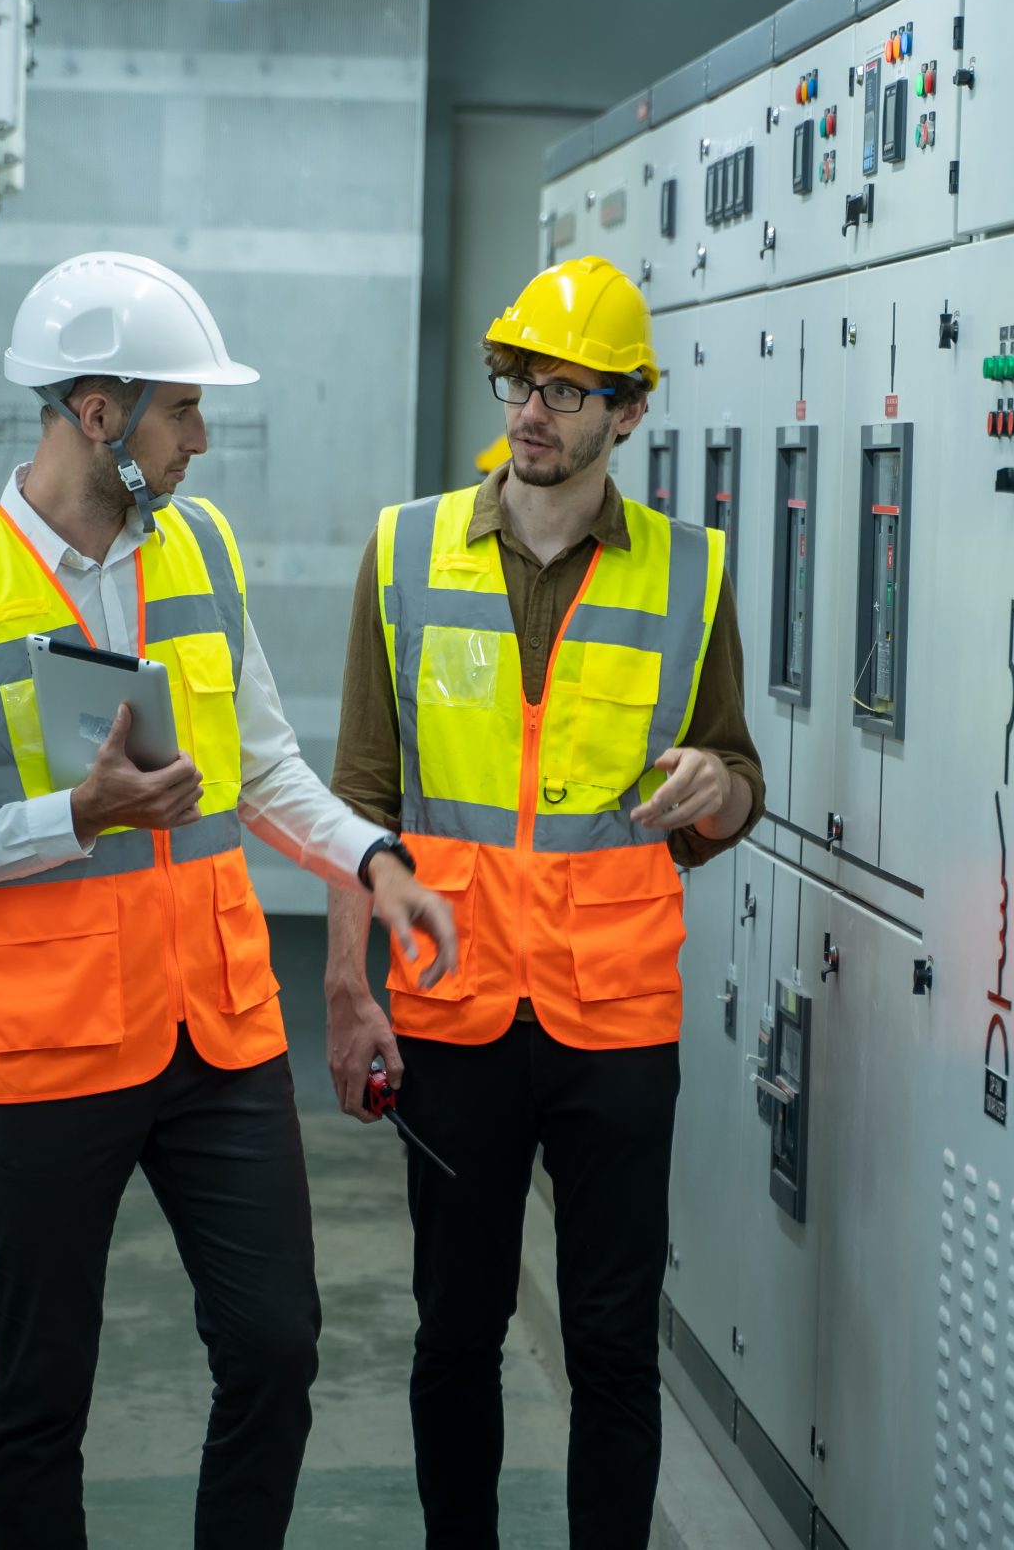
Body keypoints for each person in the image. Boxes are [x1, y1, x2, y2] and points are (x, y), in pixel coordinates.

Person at [0, 250, 457, 1550]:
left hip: (220, 1034)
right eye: (182, 410)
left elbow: (265, 769)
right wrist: (67, 821)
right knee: (41, 1402)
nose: (200, 438)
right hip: (49, 1051)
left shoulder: (199, 550)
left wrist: (368, 857)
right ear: (99, 412)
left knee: (275, 1350)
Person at [323, 255, 764, 1548]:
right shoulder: (405, 553)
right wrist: (350, 994)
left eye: (569, 392)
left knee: (615, 1350)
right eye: (522, 380)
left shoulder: (690, 576)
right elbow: (357, 804)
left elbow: (738, 784)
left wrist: (710, 790)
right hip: (454, 1012)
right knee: (455, 1334)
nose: (533, 411)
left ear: (627, 414)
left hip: (616, 1021)